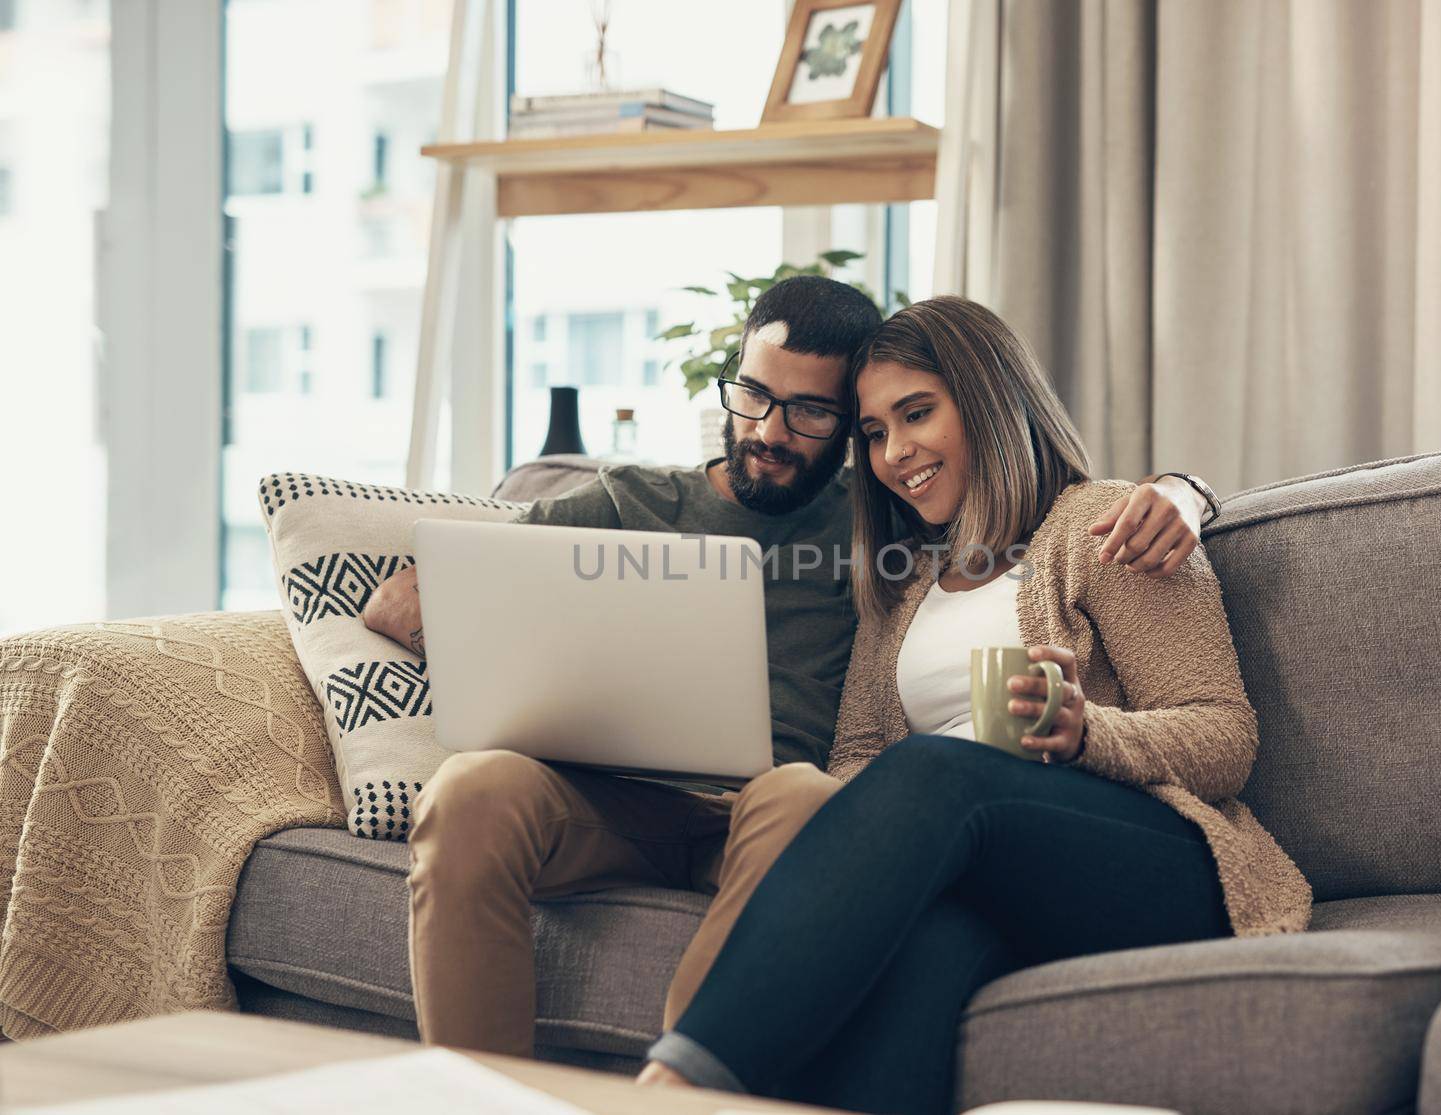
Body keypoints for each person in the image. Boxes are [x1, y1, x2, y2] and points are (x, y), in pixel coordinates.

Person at [359, 276, 1219, 1060]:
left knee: (803, 792)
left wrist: (1187, 490)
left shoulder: (882, 534)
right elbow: (411, 596)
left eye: (811, 413)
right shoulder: (631, 502)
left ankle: (689, 1077)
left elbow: (1049, 508)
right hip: (608, 798)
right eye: (755, 395)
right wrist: (486, 627)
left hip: (784, 808)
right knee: (469, 789)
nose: (769, 432)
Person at [638, 296, 1313, 1114]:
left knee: (938, 772)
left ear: (989, 398)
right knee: (920, 948)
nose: (895, 452)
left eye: (917, 413)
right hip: (990, 868)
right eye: (876, 432)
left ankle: (676, 1085)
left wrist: (1083, 732)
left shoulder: (1103, 525)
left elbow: (1223, 732)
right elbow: (855, 754)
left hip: (1157, 859)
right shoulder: (902, 580)